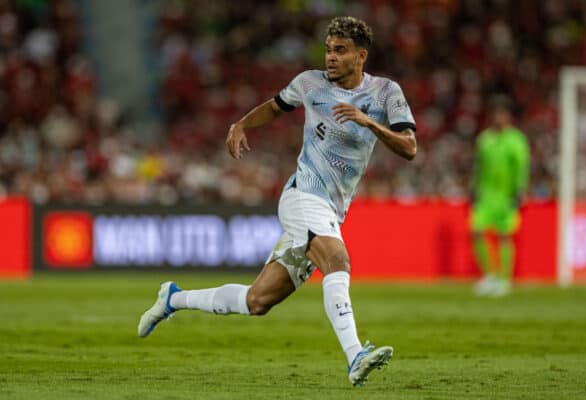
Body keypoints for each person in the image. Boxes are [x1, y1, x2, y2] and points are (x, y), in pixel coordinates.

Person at [138, 16, 417, 387]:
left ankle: (173, 299)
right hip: (302, 194)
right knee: (338, 259)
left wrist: (369, 124)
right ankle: (355, 355)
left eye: (340, 50)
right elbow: (275, 106)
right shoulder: (310, 83)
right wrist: (240, 124)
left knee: (257, 301)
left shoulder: (385, 93)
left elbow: (409, 147)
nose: (330, 57)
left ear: (361, 55)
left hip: (333, 208)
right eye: (328, 49)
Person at [470, 97, 530, 297]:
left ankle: (504, 280)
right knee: (477, 231)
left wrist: (520, 191)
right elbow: (478, 167)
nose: (499, 118)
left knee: (505, 236)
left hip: (507, 196)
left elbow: (522, 168)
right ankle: (490, 276)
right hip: (486, 196)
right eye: (496, 114)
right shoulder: (485, 139)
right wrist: (474, 187)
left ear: (509, 117)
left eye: (502, 114)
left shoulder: (517, 140)